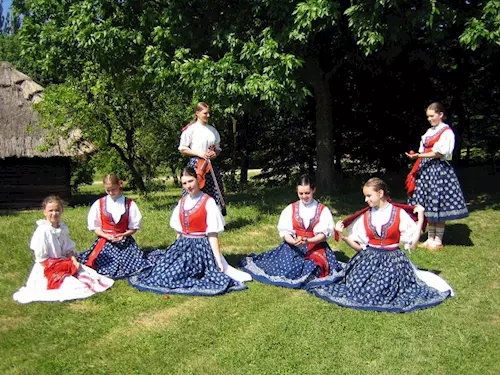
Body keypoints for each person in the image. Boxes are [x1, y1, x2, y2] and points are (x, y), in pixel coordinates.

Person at [309, 178, 453, 313]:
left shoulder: (398, 213)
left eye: (369, 196)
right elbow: (360, 249)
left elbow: (413, 245)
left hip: (393, 261)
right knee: (356, 287)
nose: (366, 200)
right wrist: (344, 236)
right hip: (368, 260)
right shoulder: (366, 216)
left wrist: (420, 220)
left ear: (380, 193)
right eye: (365, 196)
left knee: (378, 290)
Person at [128, 168, 250, 296]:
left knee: (174, 276)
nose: (188, 186)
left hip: (200, 248)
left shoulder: (208, 202)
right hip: (183, 244)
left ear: (198, 179)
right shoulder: (182, 201)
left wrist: (218, 260)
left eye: (190, 181)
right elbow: (179, 231)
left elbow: (213, 234)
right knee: (160, 272)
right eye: (184, 183)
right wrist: (174, 252)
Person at [241, 174, 343, 289]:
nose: (304, 196)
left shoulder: (323, 210)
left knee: (314, 268)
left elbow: (323, 235)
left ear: (314, 190)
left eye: (307, 193)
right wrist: (293, 241)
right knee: (285, 268)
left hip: (316, 246)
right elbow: (285, 232)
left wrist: (308, 241)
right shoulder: (291, 208)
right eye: (301, 193)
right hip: (294, 245)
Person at [13, 196, 113, 304]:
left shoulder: (62, 228)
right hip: (48, 267)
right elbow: (41, 258)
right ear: (44, 212)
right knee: (73, 286)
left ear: (62, 211)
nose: (54, 213)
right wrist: (59, 266)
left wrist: (74, 261)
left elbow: (69, 249)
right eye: (50, 210)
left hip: (64, 261)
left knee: (91, 276)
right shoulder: (43, 231)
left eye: (57, 210)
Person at [405, 102, 469, 250]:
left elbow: (440, 153)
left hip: (439, 171)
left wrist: (419, 155)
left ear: (440, 114)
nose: (430, 119)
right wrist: (418, 156)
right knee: (428, 204)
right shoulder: (429, 132)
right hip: (426, 170)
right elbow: (424, 149)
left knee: (438, 204)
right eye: (428, 116)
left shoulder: (446, 132)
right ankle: (430, 238)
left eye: (432, 116)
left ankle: (438, 240)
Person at [77, 174, 155, 279]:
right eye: (108, 190)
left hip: (124, 240)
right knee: (102, 263)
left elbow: (134, 227)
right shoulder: (99, 204)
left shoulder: (129, 204)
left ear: (119, 185)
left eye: (113, 189)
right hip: (105, 241)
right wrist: (106, 236)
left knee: (132, 263)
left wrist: (124, 235)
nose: (111, 193)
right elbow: (96, 227)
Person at [179, 102, 226, 215]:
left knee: (214, 190)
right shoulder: (191, 129)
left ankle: (214, 218)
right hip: (196, 164)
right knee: (195, 188)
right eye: (205, 113)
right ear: (197, 113)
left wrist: (215, 153)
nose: (208, 115)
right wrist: (199, 153)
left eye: (209, 113)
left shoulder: (212, 130)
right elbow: (182, 148)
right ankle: (191, 216)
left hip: (210, 165)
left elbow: (218, 148)